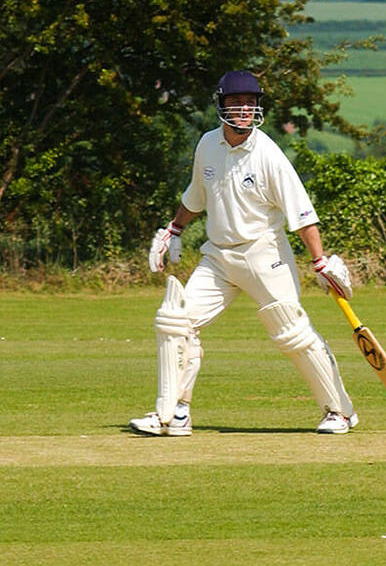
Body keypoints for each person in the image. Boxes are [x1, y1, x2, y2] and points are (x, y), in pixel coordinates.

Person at [130, 70, 357, 437]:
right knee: (176, 321)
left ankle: (338, 412)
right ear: (222, 105)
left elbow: (302, 213)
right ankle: (174, 413)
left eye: (250, 104)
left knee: (292, 331)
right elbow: (196, 196)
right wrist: (174, 229)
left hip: (264, 255)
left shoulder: (269, 154)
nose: (244, 111)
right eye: (237, 104)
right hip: (218, 257)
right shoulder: (207, 145)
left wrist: (319, 261)